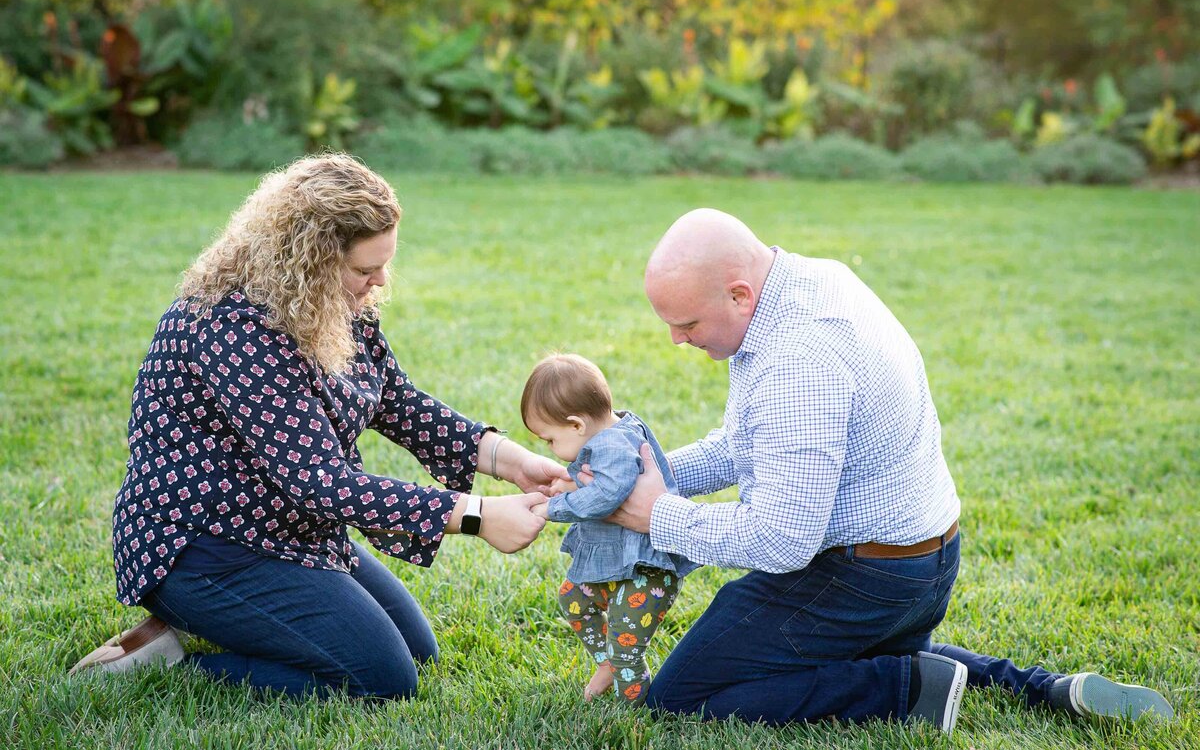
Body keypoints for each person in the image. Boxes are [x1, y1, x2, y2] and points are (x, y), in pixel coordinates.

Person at [598, 208, 1174, 732]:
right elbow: (748, 444)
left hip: (868, 579)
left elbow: (780, 540)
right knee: (851, 648)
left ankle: (902, 688)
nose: (676, 338)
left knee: (681, 694)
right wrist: (652, 476)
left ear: (740, 294)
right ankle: (1042, 688)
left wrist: (660, 515)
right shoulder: (812, 280)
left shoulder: (798, 360)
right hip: (926, 562)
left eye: (688, 324)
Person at [71, 154, 568, 698]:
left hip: (292, 532)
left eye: (384, 264)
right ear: (308, 258)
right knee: (381, 680)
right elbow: (320, 482)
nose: (380, 281)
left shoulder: (332, 302)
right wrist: (474, 516)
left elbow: (396, 402)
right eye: (364, 269)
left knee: (417, 653)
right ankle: (166, 665)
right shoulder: (230, 327)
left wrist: (509, 459)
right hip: (205, 549)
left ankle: (241, 629)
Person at [520, 353, 698, 705]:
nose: (553, 451)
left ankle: (633, 709)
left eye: (549, 440)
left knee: (625, 645)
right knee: (573, 598)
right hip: (618, 565)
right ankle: (606, 664)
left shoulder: (612, 445)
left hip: (645, 573)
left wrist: (553, 507)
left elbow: (608, 494)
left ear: (576, 425)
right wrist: (569, 485)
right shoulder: (610, 435)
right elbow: (605, 479)